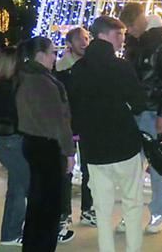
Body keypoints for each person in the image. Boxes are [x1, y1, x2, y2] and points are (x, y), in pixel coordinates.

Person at [67, 16, 146, 252]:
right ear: (105, 35)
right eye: (119, 34)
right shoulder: (120, 66)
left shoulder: (78, 69)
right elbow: (139, 102)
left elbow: (73, 110)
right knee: (132, 203)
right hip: (125, 145)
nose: (123, 39)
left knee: (102, 208)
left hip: (94, 149)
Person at [16, 37, 77, 250]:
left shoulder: (26, 75)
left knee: (37, 202)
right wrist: (69, 153)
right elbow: (58, 122)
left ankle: (33, 246)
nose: (55, 57)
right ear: (40, 54)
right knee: (49, 206)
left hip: (32, 143)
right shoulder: (42, 82)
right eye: (52, 52)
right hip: (47, 147)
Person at [123, 13, 162, 234]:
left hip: (152, 110)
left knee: (156, 162)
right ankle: (133, 212)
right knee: (131, 164)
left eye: (130, 24)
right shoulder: (135, 45)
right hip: (135, 109)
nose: (128, 30)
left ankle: (159, 212)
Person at [55, 27, 95, 228]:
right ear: (69, 44)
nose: (84, 42)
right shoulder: (61, 69)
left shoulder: (90, 67)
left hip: (88, 124)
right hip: (68, 126)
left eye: (87, 38)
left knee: (91, 170)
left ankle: (88, 210)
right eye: (79, 39)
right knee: (66, 170)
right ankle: (64, 213)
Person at [0, 47, 29, 246]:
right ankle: (25, 231)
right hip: (12, 143)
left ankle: (10, 234)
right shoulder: (8, 87)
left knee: (16, 189)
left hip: (8, 143)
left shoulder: (0, 85)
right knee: (29, 187)